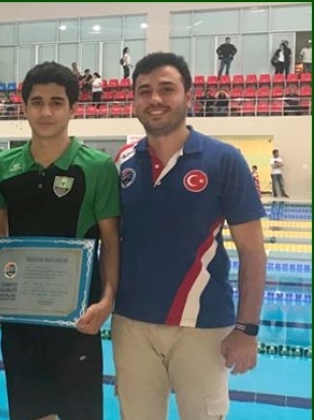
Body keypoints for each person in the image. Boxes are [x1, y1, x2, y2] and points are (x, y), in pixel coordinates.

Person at [113, 52, 267, 420]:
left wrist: (247, 329)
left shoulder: (223, 160)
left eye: (167, 89)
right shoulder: (122, 162)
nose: (155, 99)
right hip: (131, 324)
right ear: (134, 101)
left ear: (189, 96)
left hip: (203, 327)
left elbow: (252, 252)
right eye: (144, 91)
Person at [0, 61, 121, 420]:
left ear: (73, 108)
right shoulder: (3, 165)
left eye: (56, 103)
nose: (46, 112)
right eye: (37, 102)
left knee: (79, 413)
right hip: (20, 316)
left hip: (77, 316)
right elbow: (0, 233)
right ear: (24, 107)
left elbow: (110, 241)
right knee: (30, 412)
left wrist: (107, 300)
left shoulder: (97, 167)